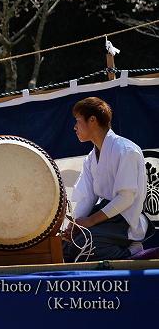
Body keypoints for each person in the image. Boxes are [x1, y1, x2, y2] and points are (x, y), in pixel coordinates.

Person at [63, 97, 150, 261]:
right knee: (67, 244)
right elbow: (87, 197)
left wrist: (91, 220)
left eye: (78, 121)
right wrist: (74, 226)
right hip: (103, 217)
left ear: (93, 120)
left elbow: (126, 198)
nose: (75, 127)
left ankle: (132, 251)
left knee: (84, 245)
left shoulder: (126, 150)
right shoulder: (90, 158)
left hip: (125, 219)